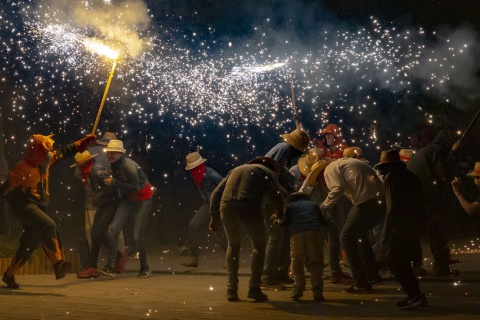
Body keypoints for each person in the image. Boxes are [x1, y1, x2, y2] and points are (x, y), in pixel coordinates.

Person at [1, 133, 96, 289]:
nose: (49, 154)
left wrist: (83, 143)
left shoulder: (45, 160)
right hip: (24, 207)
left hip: (36, 207)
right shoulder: (22, 168)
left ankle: (8, 275)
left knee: (29, 244)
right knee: (48, 225)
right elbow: (6, 189)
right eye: (45, 151)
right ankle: (58, 264)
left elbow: (65, 151)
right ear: (37, 151)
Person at [209, 156, 284, 302]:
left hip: (226, 206)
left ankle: (231, 289)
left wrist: (214, 217)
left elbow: (216, 193)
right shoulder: (269, 172)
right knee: (259, 246)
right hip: (249, 206)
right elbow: (277, 195)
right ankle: (254, 288)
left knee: (233, 245)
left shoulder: (235, 170)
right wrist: (280, 215)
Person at [320, 147, 385, 293]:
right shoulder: (347, 164)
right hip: (379, 202)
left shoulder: (330, 169)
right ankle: (372, 276)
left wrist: (323, 207)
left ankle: (360, 282)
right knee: (360, 237)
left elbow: (337, 188)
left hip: (367, 202)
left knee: (346, 237)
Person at [374, 150, 428, 309]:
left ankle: (415, 296)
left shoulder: (391, 178)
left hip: (401, 225)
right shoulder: (410, 176)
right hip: (414, 223)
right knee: (403, 260)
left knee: (395, 261)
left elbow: (392, 209)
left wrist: (384, 236)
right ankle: (414, 295)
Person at [262, 128, 310, 289]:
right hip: (269, 197)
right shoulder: (284, 149)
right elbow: (273, 173)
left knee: (283, 235)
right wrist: (291, 189)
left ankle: (280, 273)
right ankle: (268, 277)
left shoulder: (284, 150)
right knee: (276, 236)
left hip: (275, 195)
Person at [407, 130, 459, 276]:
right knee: (437, 230)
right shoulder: (436, 149)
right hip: (428, 195)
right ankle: (440, 267)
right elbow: (442, 171)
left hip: (416, 196)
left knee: (420, 232)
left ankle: (418, 266)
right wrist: (453, 154)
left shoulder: (424, 151)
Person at [100, 139, 154, 278]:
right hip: (129, 198)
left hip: (142, 199)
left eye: (112, 153)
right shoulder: (116, 164)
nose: (109, 156)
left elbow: (135, 187)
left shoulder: (129, 166)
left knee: (137, 236)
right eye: (109, 153)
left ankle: (145, 267)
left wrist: (114, 182)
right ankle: (111, 266)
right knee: (114, 228)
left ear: (120, 154)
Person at [71, 151, 125, 278]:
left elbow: (110, 186)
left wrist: (97, 198)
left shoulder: (96, 170)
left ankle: (118, 255)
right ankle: (93, 266)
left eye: (80, 165)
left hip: (110, 204)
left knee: (98, 233)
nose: (79, 168)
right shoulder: (92, 170)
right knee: (95, 235)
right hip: (104, 204)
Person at [300, 159, 354, 286]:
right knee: (331, 238)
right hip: (313, 217)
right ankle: (334, 273)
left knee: (333, 238)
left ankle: (334, 272)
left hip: (320, 216)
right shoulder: (314, 189)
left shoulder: (324, 184)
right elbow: (319, 208)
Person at [273, 192, 327, 302]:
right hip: (314, 232)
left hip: (297, 234)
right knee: (316, 261)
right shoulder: (313, 205)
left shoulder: (290, 206)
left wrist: (277, 221)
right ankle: (317, 290)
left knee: (297, 261)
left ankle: (298, 288)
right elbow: (323, 221)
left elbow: (286, 222)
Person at [181, 151, 227, 268]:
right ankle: (194, 258)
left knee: (217, 232)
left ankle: (231, 258)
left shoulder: (210, 173)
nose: (192, 169)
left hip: (217, 205)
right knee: (193, 226)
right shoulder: (195, 175)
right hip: (207, 204)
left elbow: (225, 183)